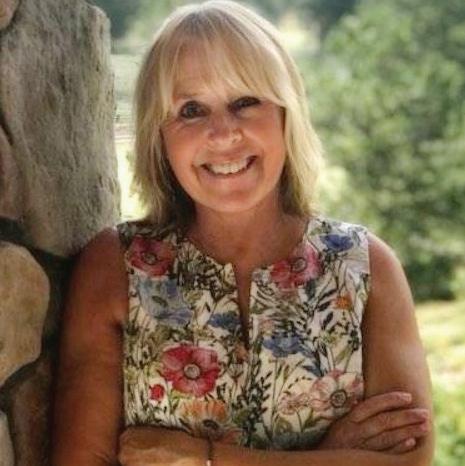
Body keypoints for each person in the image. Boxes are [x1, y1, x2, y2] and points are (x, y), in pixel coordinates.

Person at [51, 1, 434, 465]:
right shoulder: (116, 266)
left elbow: (410, 462)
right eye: (191, 109)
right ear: (160, 136)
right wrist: (330, 457)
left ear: (286, 115)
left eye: (245, 102)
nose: (223, 133)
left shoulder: (364, 266)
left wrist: (205, 456)